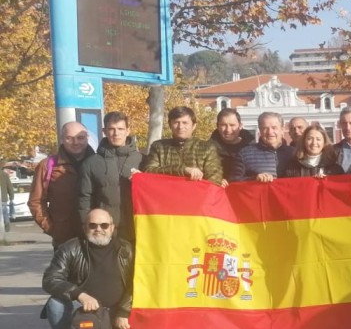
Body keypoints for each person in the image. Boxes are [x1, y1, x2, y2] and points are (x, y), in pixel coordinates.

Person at [41, 208, 133, 329]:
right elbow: (50, 279)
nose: (98, 229)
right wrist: (80, 295)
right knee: (55, 304)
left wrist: (124, 310)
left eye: (104, 225)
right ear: (84, 228)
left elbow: (137, 282)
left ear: (112, 227)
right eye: (92, 225)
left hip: (117, 312)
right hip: (84, 311)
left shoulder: (126, 249)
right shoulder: (70, 248)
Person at [79, 112, 143, 244]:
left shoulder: (142, 160)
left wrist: (144, 181)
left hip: (136, 229)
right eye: (111, 129)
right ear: (104, 131)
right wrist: (87, 226)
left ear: (128, 131)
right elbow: (84, 198)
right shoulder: (91, 163)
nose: (116, 133)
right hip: (104, 231)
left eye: (120, 129)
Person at [30, 121, 94, 248]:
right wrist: (51, 228)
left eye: (80, 138)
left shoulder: (99, 163)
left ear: (88, 138)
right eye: (69, 138)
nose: (75, 142)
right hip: (64, 238)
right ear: (61, 139)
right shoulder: (47, 165)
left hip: (94, 234)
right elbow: (35, 201)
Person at [143, 106, 223, 186]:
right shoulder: (159, 147)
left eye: (185, 123)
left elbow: (214, 181)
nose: (180, 127)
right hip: (166, 195)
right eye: (176, 122)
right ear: (170, 125)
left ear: (194, 126)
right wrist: (183, 170)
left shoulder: (207, 148)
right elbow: (149, 170)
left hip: (197, 196)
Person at [230, 112, 296, 182]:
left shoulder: (294, 153)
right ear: (260, 130)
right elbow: (233, 181)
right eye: (265, 128)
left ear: (282, 129)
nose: (270, 132)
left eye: (274, 128)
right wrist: (254, 179)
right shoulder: (244, 154)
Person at [209, 108, 255, 186]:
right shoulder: (208, 150)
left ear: (240, 126)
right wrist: (215, 179)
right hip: (220, 193)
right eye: (223, 125)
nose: (228, 129)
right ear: (217, 126)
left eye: (232, 125)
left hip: (246, 192)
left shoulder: (253, 148)